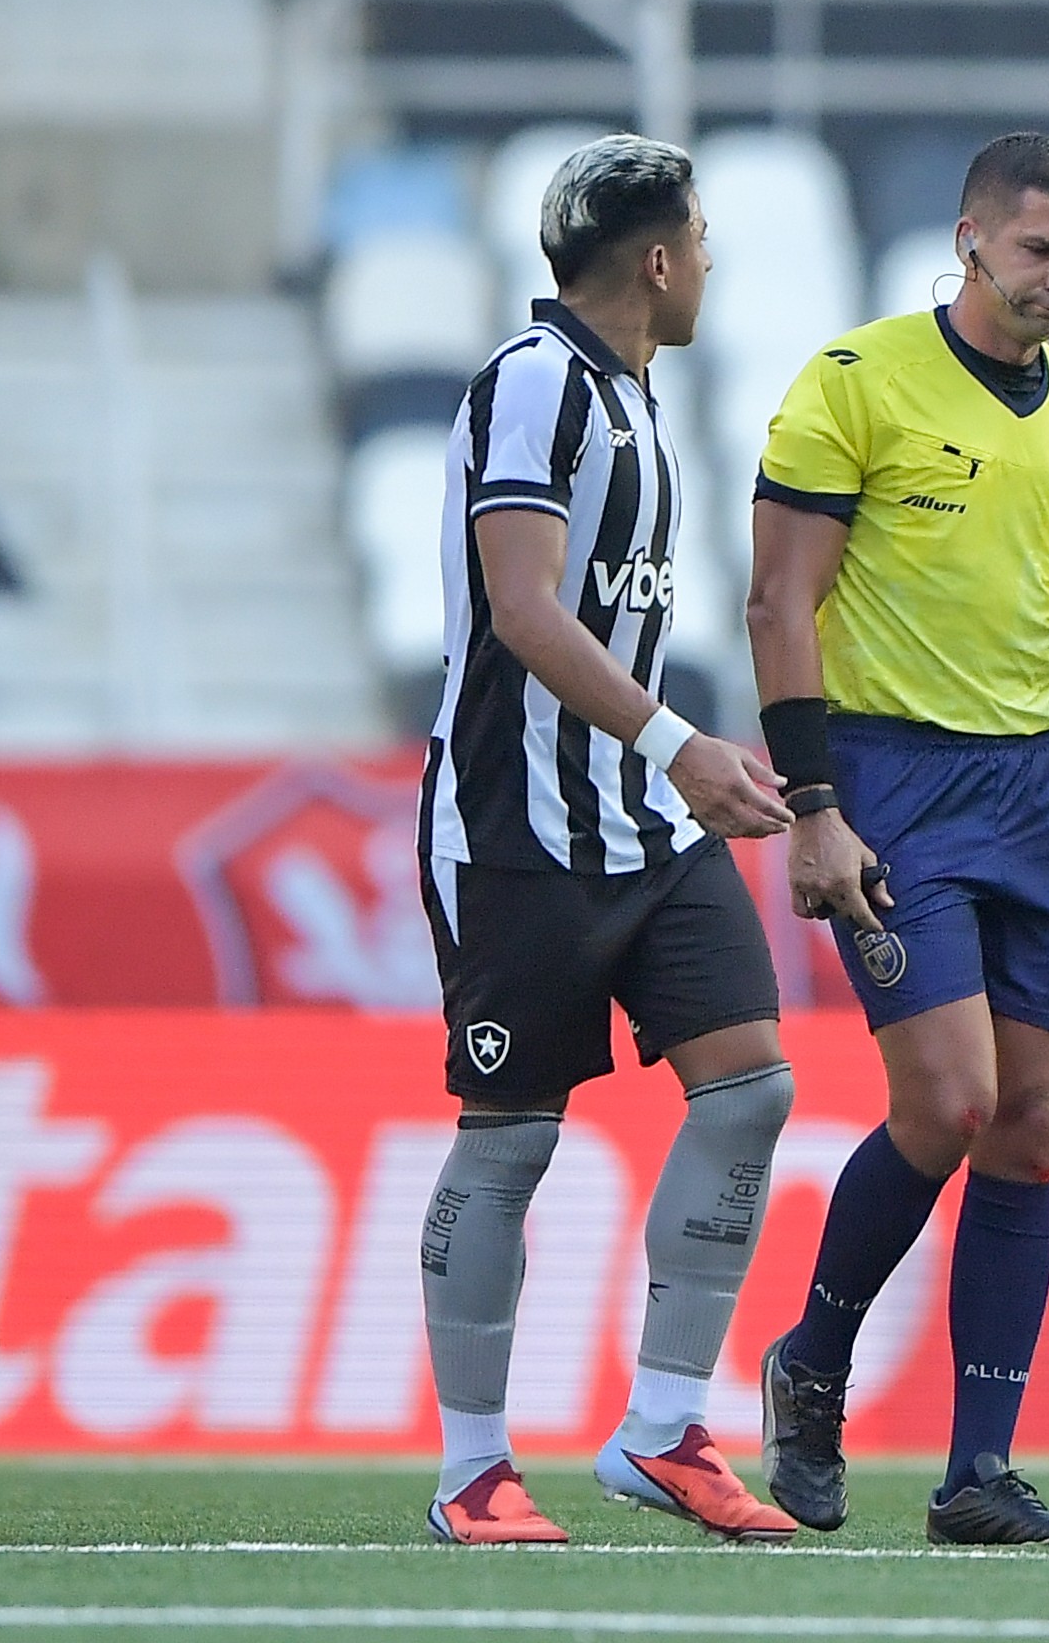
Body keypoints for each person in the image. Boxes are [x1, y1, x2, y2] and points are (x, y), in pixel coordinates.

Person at [748, 131, 1049, 1546]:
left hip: (1034, 794)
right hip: (889, 783)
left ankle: (978, 1476)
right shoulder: (853, 383)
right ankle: (810, 1365)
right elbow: (777, 604)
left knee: (1027, 1129)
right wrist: (814, 807)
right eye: (1037, 252)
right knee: (946, 1101)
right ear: (968, 241)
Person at [413, 134, 802, 1547]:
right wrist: (683, 745)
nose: (709, 264)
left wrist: (679, 769)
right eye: (698, 240)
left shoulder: (636, 400)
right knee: (509, 1138)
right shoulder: (534, 386)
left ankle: (662, 1429)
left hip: (642, 823)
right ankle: (471, 1468)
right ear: (655, 258)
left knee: (750, 1087)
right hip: (518, 826)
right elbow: (523, 609)